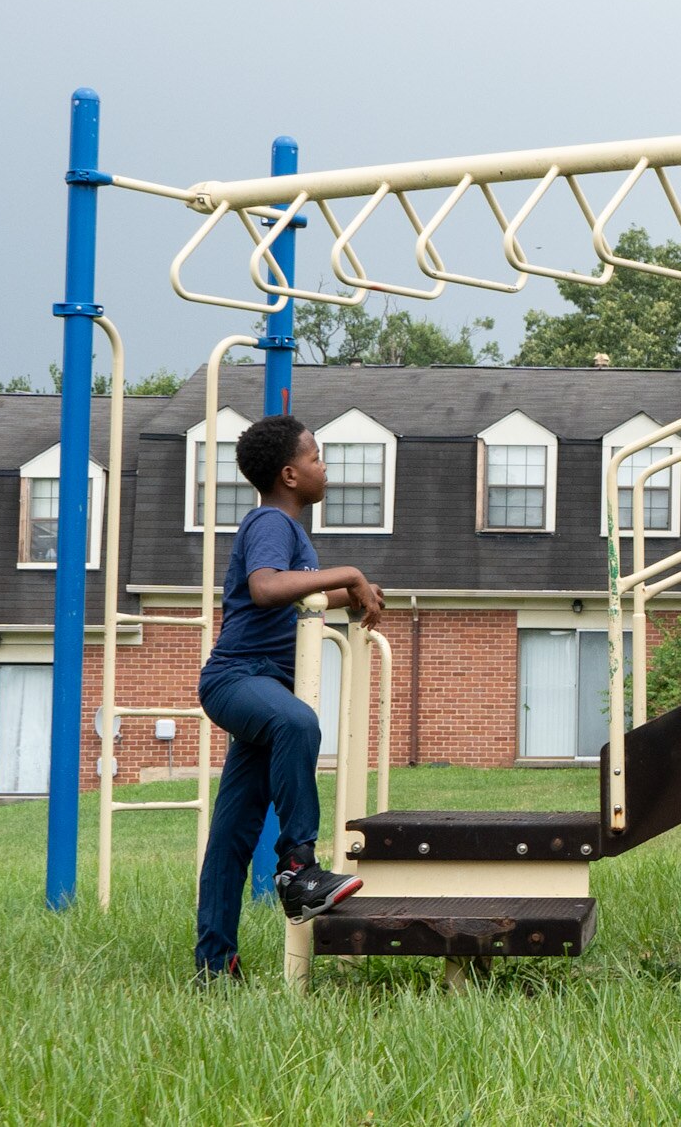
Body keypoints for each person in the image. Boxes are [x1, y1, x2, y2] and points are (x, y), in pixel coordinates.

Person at [192, 414, 385, 984]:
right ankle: (298, 869)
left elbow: (301, 602)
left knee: (232, 832)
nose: (324, 466)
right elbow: (266, 587)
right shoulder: (270, 522)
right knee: (299, 724)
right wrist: (347, 570)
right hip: (237, 678)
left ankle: (214, 965)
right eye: (317, 457)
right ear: (290, 474)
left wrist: (356, 594)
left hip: (262, 688)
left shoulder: (290, 532)